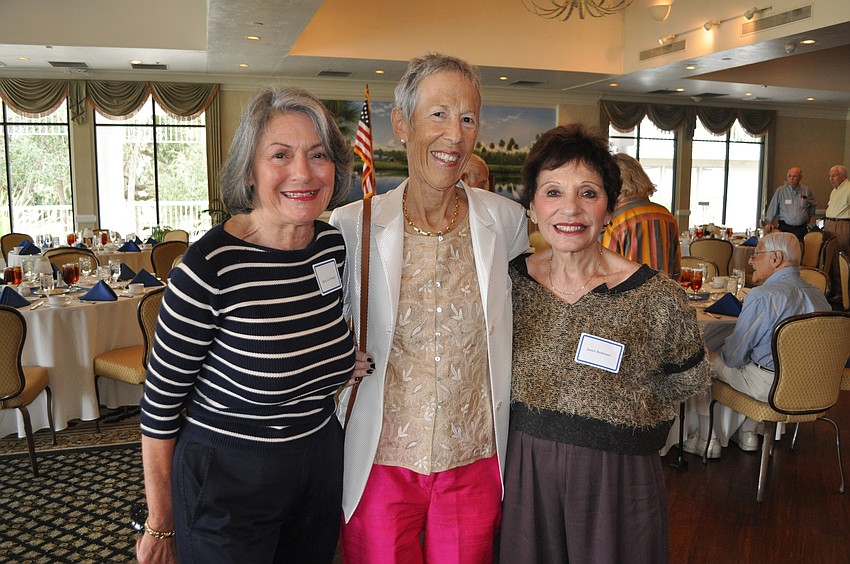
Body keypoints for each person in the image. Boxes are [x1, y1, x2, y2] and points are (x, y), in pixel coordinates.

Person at [136, 87, 372, 564]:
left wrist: (340, 360)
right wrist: (160, 523)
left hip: (320, 464)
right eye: (280, 155)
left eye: (318, 155)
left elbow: (310, 329)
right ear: (249, 170)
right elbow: (159, 408)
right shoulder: (209, 266)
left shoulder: (331, 246)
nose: (303, 172)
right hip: (229, 477)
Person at [329, 53, 528, 563]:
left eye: (468, 118)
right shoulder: (352, 226)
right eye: (438, 114)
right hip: (379, 456)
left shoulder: (506, 222)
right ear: (401, 124)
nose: (454, 135)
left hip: (473, 455)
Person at [499, 124, 710, 563]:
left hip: (619, 479)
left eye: (588, 193)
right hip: (523, 474)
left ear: (610, 206)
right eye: (553, 192)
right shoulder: (506, 284)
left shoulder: (657, 297)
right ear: (532, 206)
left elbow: (686, 380)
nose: (570, 209)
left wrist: (623, 417)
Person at [687, 232, 831, 457]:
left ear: (775, 258)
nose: (750, 261)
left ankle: (707, 440)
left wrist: (719, 346)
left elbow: (732, 358)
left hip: (771, 387)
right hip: (816, 387)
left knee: (700, 358)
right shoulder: (818, 295)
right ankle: (748, 432)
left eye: (756, 255)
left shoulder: (762, 297)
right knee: (758, 358)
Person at [601, 152, 681, 278]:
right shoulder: (666, 215)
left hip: (626, 291)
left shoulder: (614, 221)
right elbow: (676, 269)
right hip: (664, 289)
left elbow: (604, 272)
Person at [762, 167, 816, 240]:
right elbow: (772, 208)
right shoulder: (780, 191)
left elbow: (813, 205)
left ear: (800, 177)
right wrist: (769, 223)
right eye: (789, 176)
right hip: (785, 228)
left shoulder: (806, 190)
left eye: (795, 176)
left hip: (801, 229)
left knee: (799, 246)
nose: (792, 179)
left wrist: (809, 216)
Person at [824, 164, 850, 294]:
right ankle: (834, 290)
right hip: (830, 225)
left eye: (834, 176)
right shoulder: (834, 191)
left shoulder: (848, 188)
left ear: (843, 176)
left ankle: (843, 293)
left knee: (842, 257)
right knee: (831, 258)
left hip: (842, 225)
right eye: (830, 176)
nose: (831, 179)